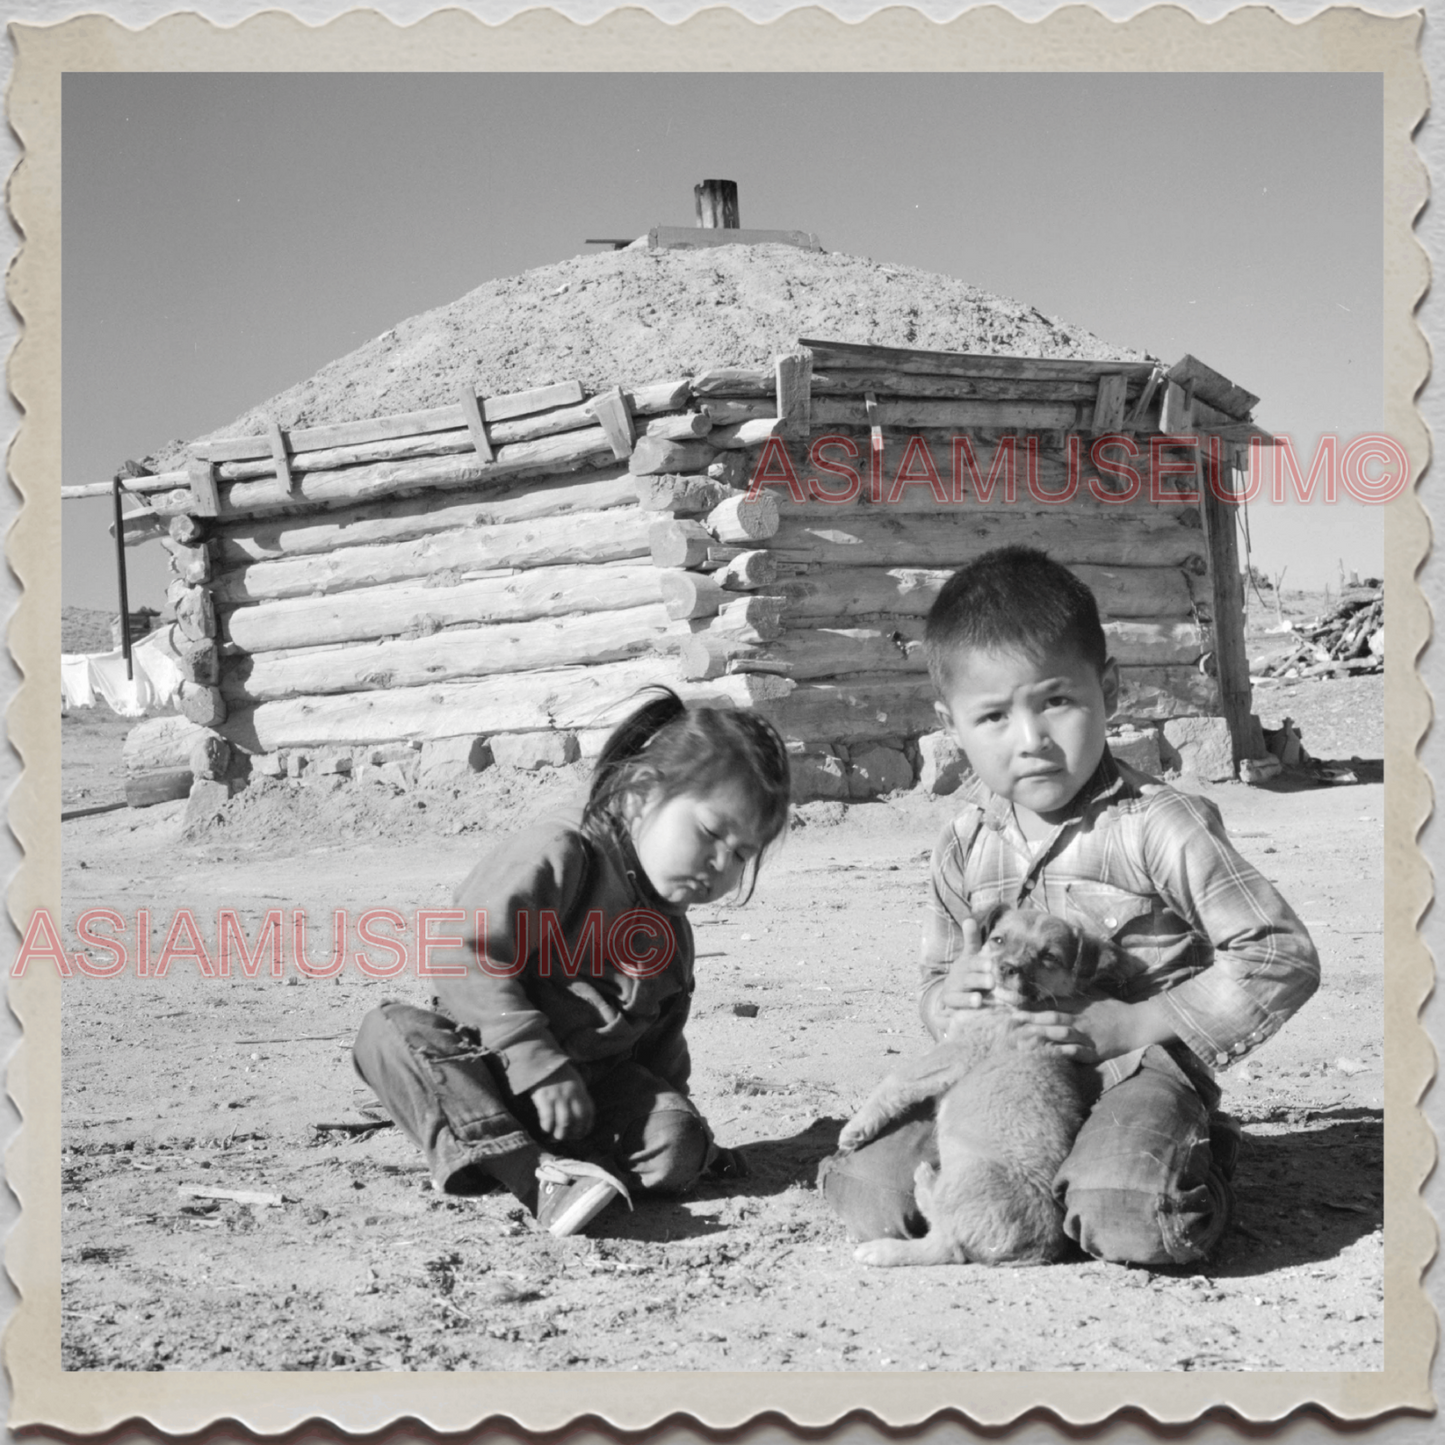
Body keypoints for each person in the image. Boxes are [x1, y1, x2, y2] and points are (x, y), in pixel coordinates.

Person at [819, 545, 1320, 1266]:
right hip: (1004, 1095)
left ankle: (1181, 1156)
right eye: (991, 715)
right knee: (872, 1194)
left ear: (1107, 690)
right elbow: (934, 986)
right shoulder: (964, 842)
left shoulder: (1160, 824)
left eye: (1056, 700)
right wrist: (946, 998)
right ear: (949, 723)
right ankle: (1071, 1186)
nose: (1030, 741)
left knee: (1125, 1215)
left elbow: (1279, 953)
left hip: (1136, 1073)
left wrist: (1135, 1021)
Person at [354, 690, 790, 1237]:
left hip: (584, 1101)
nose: (720, 865)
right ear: (640, 792)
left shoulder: (670, 933)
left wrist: (691, 1132)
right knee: (391, 1035)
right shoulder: (562, 853)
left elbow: (659, 1049)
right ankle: (533, 1176)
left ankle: (546, 1162)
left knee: (674, 1138)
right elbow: (468, 954)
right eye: (709, 832)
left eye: (743, 855)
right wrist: (536, 1065)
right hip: (491, 1066)